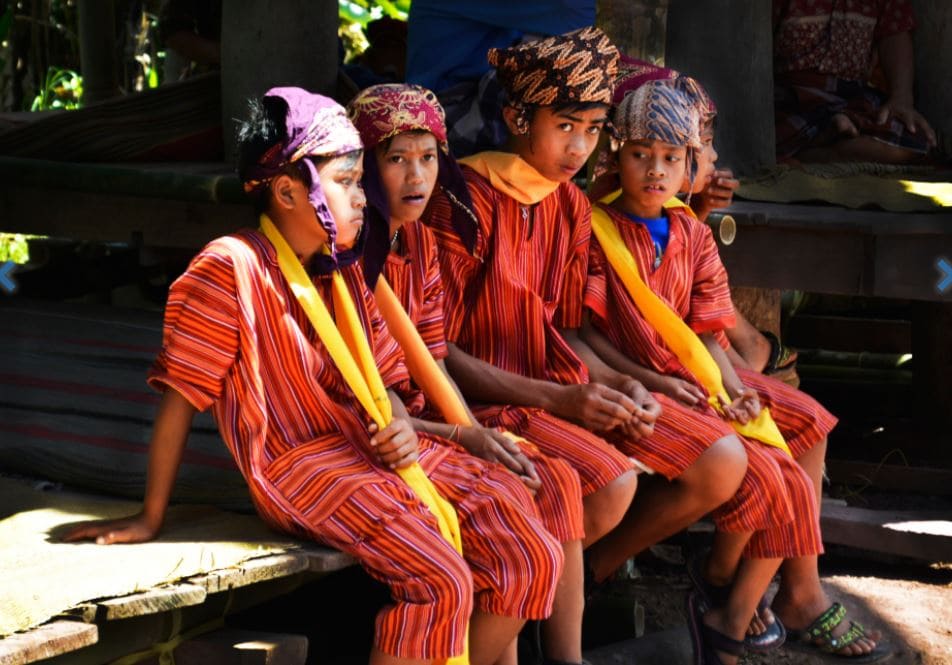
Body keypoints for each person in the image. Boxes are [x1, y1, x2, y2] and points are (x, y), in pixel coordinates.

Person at [63, 86, 565, 665]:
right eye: (348, 181)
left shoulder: (343, 270)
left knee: (527, 544)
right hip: (297, 464)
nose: (361, 197)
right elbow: (179, 398)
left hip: (363, 449)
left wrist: (406, 427)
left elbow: (383, 389)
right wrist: (151, 517)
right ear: (286, 190)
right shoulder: (231, 266)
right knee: (441, 580)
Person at [584, 72, 886, 662]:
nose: (655, 169)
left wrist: (732, 391)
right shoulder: (593, 226)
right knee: (772, 470)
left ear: (687, 160)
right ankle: (717, 587)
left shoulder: (689, 231)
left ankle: (756, 596)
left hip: (697, 372)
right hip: (641, 378)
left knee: (810, 423)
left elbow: (709, 336)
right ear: (614, 154)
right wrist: (662, 381)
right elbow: (586, 332)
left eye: (673, 157)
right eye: (641, 155)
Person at [348, 81, 594, 665]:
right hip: (374, 438)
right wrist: (467, 437)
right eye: (396, 159)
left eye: (428, 158)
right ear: (360, 165)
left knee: (549, 479)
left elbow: (432, 365)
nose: (416, 178)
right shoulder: (351, 259)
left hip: (429, 423)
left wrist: (472, 434)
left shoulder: (424, 245)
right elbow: (373, 402)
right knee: (517, 529)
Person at [773, 0, 936, 163]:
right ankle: (820, 142)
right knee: (774, 134)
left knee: (918, 143)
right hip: (795, 95)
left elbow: (894, 33)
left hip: (853, 99)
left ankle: (825, 142)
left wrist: (901, 98)